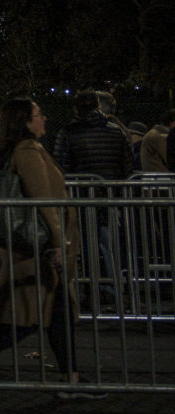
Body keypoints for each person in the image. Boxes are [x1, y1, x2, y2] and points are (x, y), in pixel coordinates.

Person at [0, 98, 97, 399]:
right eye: (39, 115)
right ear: (26, 122)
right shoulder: (28, 152)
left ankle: (71, 378)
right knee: (25, 319)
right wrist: (58, 243)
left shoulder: (26, 151)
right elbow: (44, 201)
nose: (44, 119)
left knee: (55, 315)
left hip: (38, 249)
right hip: (38, 251)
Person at [53, 90, 134, 306]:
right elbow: (127, 165)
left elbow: (60, 165)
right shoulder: (116, 131)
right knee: (110, 246)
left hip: (80, 197)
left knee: (86, 246)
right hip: (109, 196)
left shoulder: (69, 132)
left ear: (76, 108)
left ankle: (92, 288)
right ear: (98, 105)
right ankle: (114, 288)